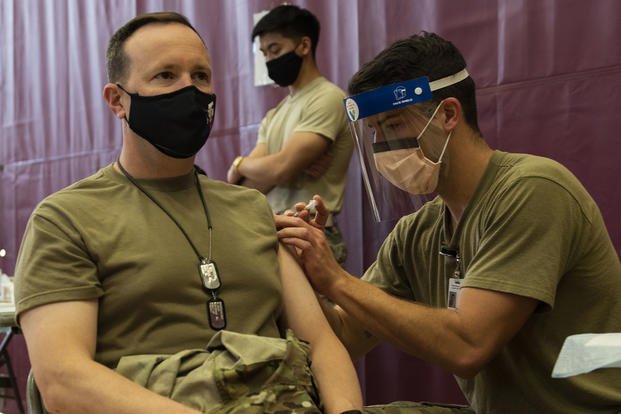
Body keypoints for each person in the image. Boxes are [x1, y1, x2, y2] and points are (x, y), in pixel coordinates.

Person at [13, 12, 362, 414]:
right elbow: (63, 380)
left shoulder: (253, 209)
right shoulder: (66, 219)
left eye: (200, 76)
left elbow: (322, 344)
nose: (189, 90)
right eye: (165, 75)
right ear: (117, 100)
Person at [275, 32, 621, 413]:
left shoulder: (534, 190)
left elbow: (468, 345)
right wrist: (306, 268)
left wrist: (336, 280)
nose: (382, 147)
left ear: (448, 114)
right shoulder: (417, 233)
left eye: (393, 125)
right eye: (373, 131)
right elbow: (344, 336)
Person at [226, 4, 353, 264]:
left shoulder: (327, 98)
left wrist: (245, 165)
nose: (269, 60)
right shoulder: (275, 113)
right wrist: (242, 166)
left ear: (304, 46)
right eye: (264, 53)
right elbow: (246, 188)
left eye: (275, 50)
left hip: (310, 233)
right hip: (272, 232)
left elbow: (280, 170)